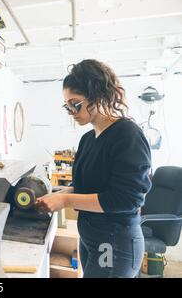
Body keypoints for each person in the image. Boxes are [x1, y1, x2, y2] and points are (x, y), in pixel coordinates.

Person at [36, 59, 152, 278]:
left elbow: (127, 199)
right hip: (92, 238)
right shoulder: (87, 139)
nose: (71, 111)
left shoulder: (127, 135)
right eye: (67, 106)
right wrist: (55, 195)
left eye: (75, 104)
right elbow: (84, 187)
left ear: (98, 96)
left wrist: (65, 201)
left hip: (114, 242)